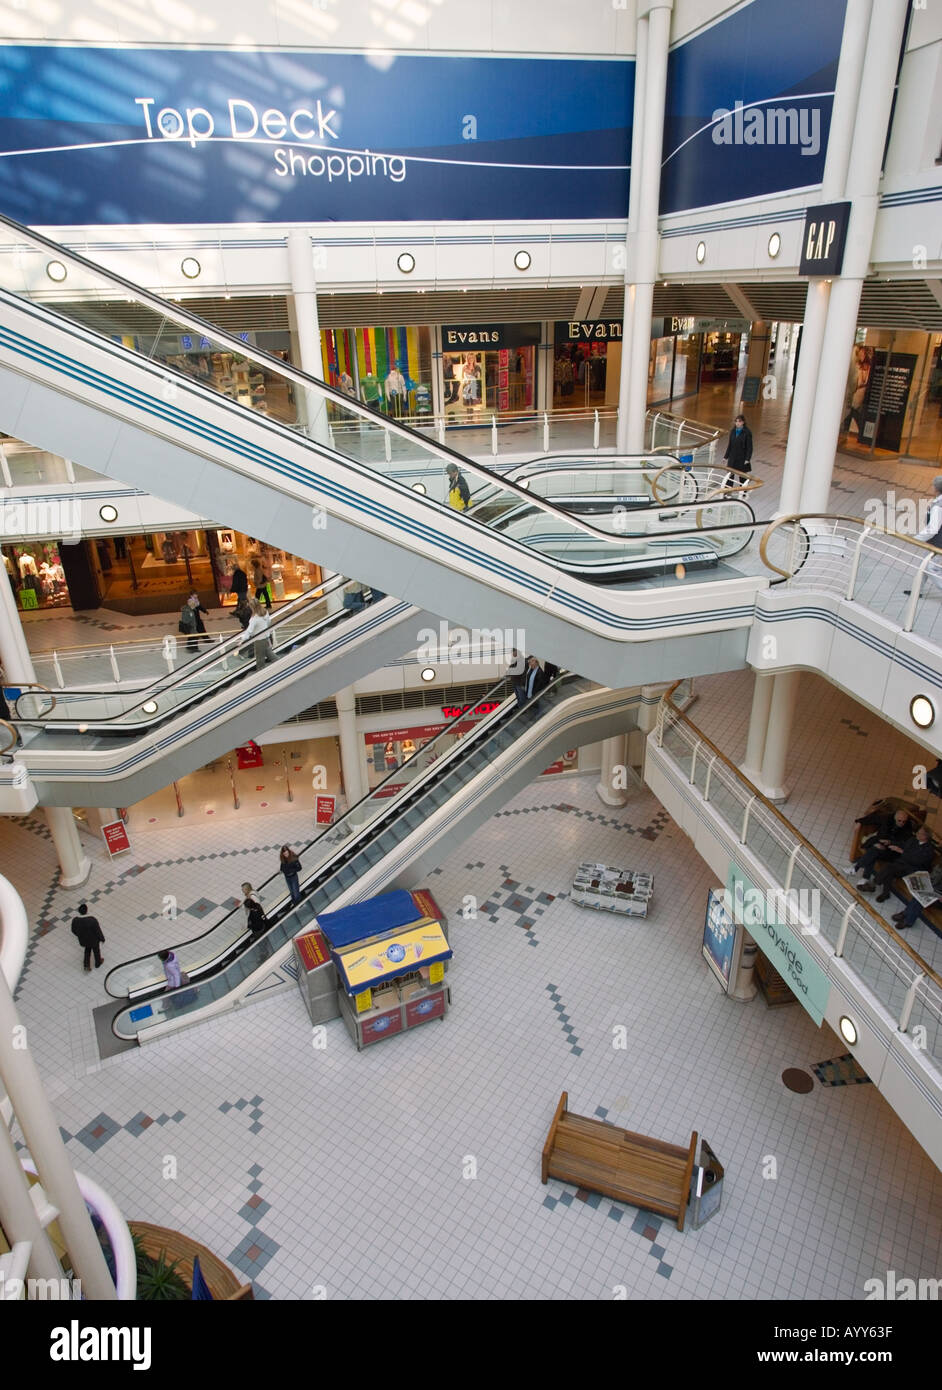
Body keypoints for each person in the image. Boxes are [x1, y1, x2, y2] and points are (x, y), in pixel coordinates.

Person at [858, 824, 935, 902]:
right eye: (917, 832)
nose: (917, 834)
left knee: (889, 868)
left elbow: (917, 861)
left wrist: (901, 851)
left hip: (912, 869)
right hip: (901, 864)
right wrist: (890, 842)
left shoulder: (929, 850)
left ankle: (873, 884)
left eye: (919, 833)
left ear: (926, 836)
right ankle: (885, 894)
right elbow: (903, 844)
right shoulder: (913, 840)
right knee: (890, 871)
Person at [903, 477, 942, 597]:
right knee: (924, 565)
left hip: (937, 543)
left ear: (936, 488)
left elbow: (932, 528)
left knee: (931, 568)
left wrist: (916, 539)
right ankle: (917, 590)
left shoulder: (938, 506)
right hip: (934, 542)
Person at [892, 861, 942, 930]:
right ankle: (907, 913)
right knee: (918, 894)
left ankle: (908, 921)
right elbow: (932, 877)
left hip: (939, 896)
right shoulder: (939, 866)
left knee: (920, 900)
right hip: (932, 889)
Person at [723, 414, 753, 493]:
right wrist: (726, 456)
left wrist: (747, 459)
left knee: (742, 476)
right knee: (730, 475)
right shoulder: (733, 431)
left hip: (741, 458)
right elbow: (730, 445)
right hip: (732, 457)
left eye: (739, 421)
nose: (737, 423)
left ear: (743, 422)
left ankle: (743, 492)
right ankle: (728, 492)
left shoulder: (747, 433)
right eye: (736, 421)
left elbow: (750, 447)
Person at [243, 599, 276, 670]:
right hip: (266, 637)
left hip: (259, 640)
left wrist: (242, 640)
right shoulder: (265, 612)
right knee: (269, 654)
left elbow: (249, 631)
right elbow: (268, 622)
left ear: (252, 607)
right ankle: (281, 664)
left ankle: (261, 674)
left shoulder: (254, 618)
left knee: (260, 659)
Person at [71, 903, 105, 972]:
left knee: (87, 951)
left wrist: (79, 935)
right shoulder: (92, 920)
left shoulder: (75, 920)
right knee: (96, 951)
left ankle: (86, 965)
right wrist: (102, 938)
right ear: (87, 910)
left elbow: (73, 930)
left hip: (83, 940)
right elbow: (97, 930)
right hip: (94, 940)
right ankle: (98, 963)